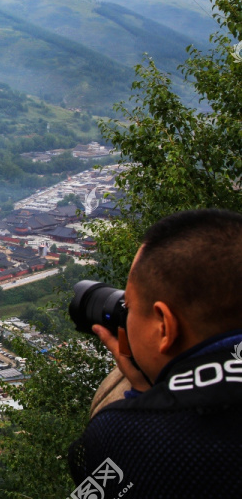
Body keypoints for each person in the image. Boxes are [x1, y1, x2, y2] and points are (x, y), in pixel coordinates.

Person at [69, 209, 242, 497]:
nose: (124, 314)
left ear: (164, 326)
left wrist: (145, 403)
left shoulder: (122, 435)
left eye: (130, 307)